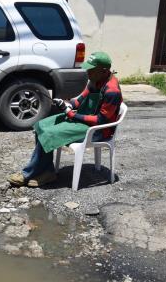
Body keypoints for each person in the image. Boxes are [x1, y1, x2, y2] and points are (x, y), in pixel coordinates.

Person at [8, 51, 122, 187]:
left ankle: (29, 173)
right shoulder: (94, 80)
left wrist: (73, 115)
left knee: (50, 134)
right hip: (84, 121)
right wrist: (66, 104)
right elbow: (79, 100)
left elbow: (101, 120)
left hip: (97, 131)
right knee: (41, 125)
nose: (87, 72)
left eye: (91, 69)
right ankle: (46, 171)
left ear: (103, 71)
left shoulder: (112, 91)